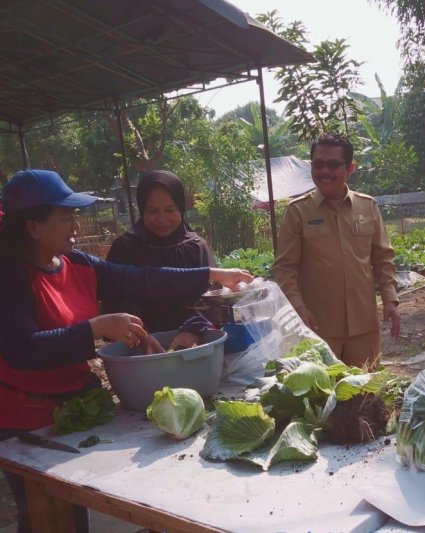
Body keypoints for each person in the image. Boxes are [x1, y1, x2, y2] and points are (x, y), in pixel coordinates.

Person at [0, 169, 252, 533]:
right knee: (42, 518)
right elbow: (21, 351)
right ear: (33, 227)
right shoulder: (10, 278)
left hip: (72, 408)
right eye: (65, 217)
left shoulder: (77, 264)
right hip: (24, 418)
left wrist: (214, 273)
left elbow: (142, 277)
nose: (76, 224)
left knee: (72, 511)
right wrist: (96, 329)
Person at [273, 133, 400, 368]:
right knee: (323, 395)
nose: (325, 172)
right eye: (318, 164)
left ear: (350, 168)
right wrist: (299, 309)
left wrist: (390, 299)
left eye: (333, 165)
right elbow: (285, 269)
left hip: (364, 326)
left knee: (364, 393)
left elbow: (382, 258)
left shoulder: (367, 206)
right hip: (318, 327)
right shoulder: (298, 212)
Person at [105, 170, 216, 350]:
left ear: (180, 208)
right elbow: (117, 299)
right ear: (142, 209)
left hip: (193, 349)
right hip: (139, 352)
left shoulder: (195, 247)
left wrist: (193, 330)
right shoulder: (125, 248)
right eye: (153, 211)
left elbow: (213, 297)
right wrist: (142, 335)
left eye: (170, 210)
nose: (162, 219)